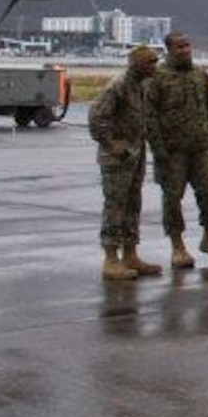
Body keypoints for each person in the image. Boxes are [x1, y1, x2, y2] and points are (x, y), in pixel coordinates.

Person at [144, 32, 208, 268]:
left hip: (202, 146)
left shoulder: (200, 74)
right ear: (169, 50)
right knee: (172, 198)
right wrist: (158, 149)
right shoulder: (157, 78)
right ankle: (177, 246)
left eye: (187, 45)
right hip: (172, 151)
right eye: (179, 47)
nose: (185, 50)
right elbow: (149, 117)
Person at [88, 45, 162, 283]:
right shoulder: (117, 86)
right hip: (118, 157)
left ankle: (130, 254)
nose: (155, 66)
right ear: (137, 64)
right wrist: (112, 145)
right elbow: (97, 118)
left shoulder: (143, 85)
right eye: (150, 62)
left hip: (135, 153)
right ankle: (111, 259)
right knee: (116, 205)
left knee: (133, 203)